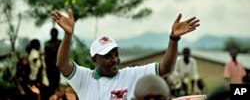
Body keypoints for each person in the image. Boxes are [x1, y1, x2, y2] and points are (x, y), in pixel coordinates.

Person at [51, 8, 200, 100]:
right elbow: (62, 65)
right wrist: (68, 36)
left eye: (115, 54)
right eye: (107, 56)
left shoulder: (131, 75)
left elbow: (166, 68)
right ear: (94, 59)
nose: (114, 59)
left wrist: (173, 39)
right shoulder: (84, 79)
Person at [45, 27, 62, 97]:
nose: (53, 35)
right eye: (52, 33)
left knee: (56, 82)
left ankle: (55, 95)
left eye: (55, 33)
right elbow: (47, 52)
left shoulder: (60, 42)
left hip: (57, 65)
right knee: (50, 83)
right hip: (49, 66)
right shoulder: (47, 43)